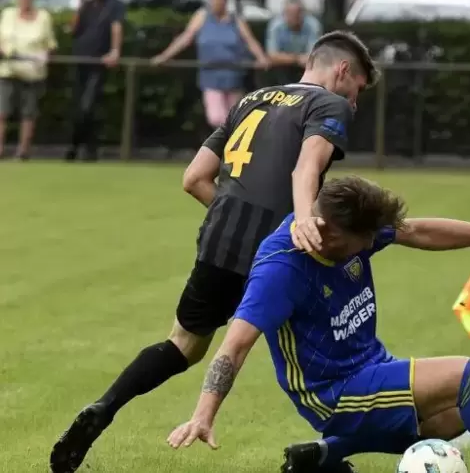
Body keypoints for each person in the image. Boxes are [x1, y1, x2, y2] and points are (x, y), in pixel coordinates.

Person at [49, 30, 379, 473]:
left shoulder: (253, 98)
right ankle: (332, 459)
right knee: (327, 345)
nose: (353, 103)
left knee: (183, 345)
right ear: (341, 70)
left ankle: (105, 407)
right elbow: (308, 166)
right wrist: (299, 221)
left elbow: (194, 177)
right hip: (278, 248)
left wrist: (230, 213)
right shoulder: (328, 105)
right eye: (356, 90)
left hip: (219, 238)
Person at [166, 175, 470, 473]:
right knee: (469, 378)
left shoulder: (346, 230)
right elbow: (234, 345)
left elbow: (421, 231)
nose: (374, 245)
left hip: (368, 367)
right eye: (367, 240)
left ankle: (326, 456)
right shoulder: (281, 269)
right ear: (330, 233)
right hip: (331, 392)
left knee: (453, 418)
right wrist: (204, 414)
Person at [151, 0, 270, 130]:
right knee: (216, 117)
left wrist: (261, 58)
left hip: (233, 76)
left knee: (235, 117)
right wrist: (165, 56)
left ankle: (228, 151)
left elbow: (249, 41)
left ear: (225, 0)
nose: (217, 2)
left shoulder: (236, 20)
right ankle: (223, 147)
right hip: (210, 75)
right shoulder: (201, 16)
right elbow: (186, 37)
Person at [64, 0, 124, 162]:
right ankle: (83, 148)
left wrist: (115, 51)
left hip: (97, 63)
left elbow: (117, 27)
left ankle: (81, 148)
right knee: (77, 107)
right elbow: (72, 29)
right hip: (79, 60)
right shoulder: (86, 5)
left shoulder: (114, 4)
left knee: (87, 106)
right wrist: (79, 4)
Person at [0, 0, 57, 160]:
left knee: (28, 113)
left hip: (33, 73)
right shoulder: (7, 14)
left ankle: (23, 152)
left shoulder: (44, 17)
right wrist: (8, 52)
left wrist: (44, 56)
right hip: (8, 71)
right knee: (1, 112)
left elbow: (50, 45)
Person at [266, 0, 322, 84]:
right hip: (282, 67)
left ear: (303, 13)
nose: (293, 17)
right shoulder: (276, 26)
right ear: (284, 14)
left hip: (305, 68)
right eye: (290, 14)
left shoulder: (313, 25)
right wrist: (297, 59)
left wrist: (289, 58)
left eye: (297, 13)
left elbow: (312, 56)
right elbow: (272, 56)